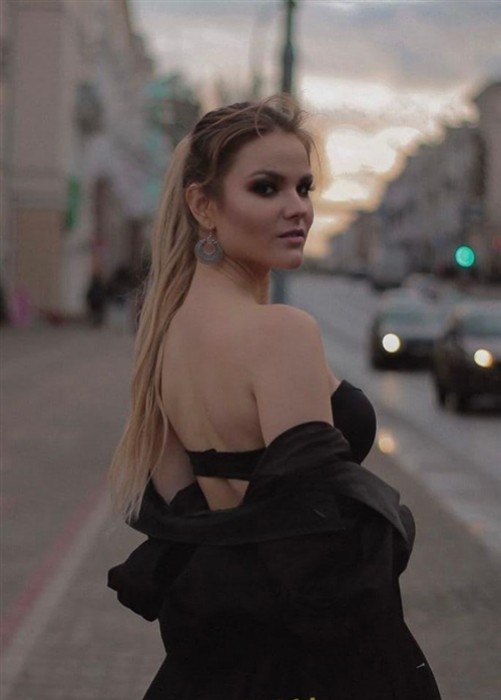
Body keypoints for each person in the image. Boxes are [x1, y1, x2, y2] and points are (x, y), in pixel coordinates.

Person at [108, 96, 441, 700]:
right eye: (266, 188)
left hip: (216, 662)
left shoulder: (163, 334)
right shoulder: (282, 332)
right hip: (302, 661)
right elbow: (317, 549)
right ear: (203, 206)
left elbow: (187, 517)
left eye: (304, 188)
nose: (298, 209)